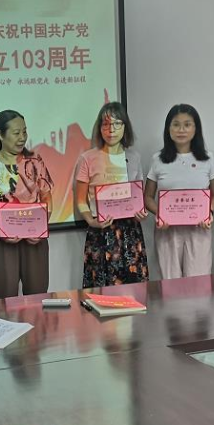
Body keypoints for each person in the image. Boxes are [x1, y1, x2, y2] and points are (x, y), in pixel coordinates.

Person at [0, 110, 53, 298]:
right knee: (6, 295)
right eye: (16, 133)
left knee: (37, 294)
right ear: (0, 134)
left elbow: (47, 197)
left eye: (24, 131)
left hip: (34, 236)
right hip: (1, 237)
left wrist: (41, 226)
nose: (22, 137)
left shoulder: (35, 161)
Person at [74, 102, 149, 287]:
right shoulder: (87, 158)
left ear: (125, 126)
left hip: (130, 232)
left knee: (133, 288)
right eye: (106, 124)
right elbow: (80, 200)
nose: (111, 129)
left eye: (117, 123)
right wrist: (91, 221)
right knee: (101, 288)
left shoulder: (134, 157)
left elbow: (138, 196)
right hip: (101, 230)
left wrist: (141, 213)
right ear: (99, 128)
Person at [144, 104, 214, 279]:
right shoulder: (158, 159)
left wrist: (208, 212)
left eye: (187, 124)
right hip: (167, 231)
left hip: (199, 229)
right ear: (168, 128)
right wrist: (160, 214)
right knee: (170, 282)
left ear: (196, 128)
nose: (181, 130)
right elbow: (147, 197)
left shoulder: (207, 158)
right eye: (176, 124)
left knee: (198, 282)